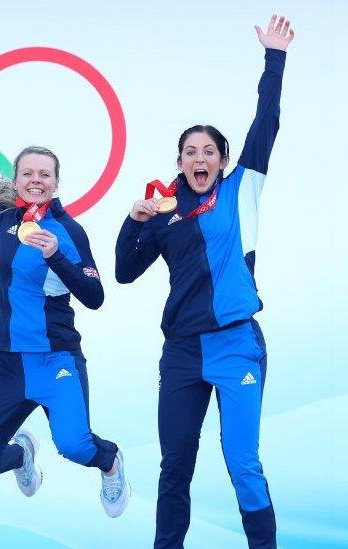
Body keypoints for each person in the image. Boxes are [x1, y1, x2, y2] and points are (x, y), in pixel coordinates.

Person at [115, 15, 293, 548]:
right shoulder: (166, 212)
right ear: (179, 162)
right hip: (182, 353)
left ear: (223, 160)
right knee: (175, 469)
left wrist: (275, 58)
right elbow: (123, 271)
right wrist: (135, 220)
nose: (199, 158)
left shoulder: (242, 189)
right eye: (190, 152)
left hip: (237, 345)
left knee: (243, 464)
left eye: (208, 151)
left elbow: (267, 122)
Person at [0, 88, 130, 516]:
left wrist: (55, 256)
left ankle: (112, 461)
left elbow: (94, 296)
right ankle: (21, 455)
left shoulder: (69, 231)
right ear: (18, 178)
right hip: (7, 363)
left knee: (75, 446)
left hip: (55, 359)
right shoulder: (6, 217)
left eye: (44, 174)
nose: (36, 181)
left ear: (56, 182)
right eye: (28, 174)